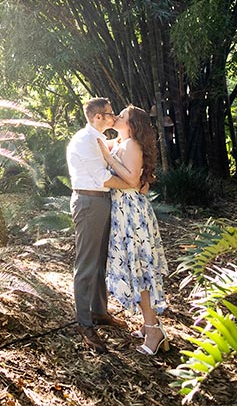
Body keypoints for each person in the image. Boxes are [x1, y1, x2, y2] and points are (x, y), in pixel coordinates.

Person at [97, 105, 169, 355]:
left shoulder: (132, 144)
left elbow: (131, 180)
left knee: (140, 270)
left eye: (122, 116)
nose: (116, 117)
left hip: (131, 213)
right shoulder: (120, 141)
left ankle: (154, 331)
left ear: (132, 124)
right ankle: (149, 324)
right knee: (134, 267)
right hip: (123, 210)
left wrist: (107, 157)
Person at [67, 97, 135, 353]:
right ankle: (84, 324)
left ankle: (99, 311)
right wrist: (134, 184)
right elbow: (104, 178)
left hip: (100, 203)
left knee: (99, 261)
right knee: (86, 264)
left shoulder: (96, 139)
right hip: (89, 202)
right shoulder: (85, 141)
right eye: (109, 113)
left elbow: (114, 149)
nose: (113, 117)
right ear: (98, 117)